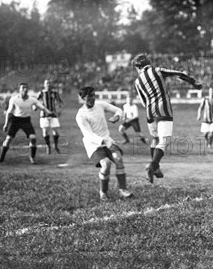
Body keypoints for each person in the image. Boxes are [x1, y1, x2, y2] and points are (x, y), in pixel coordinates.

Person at [132, 54, 202, 183]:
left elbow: (143, 102)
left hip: (149, 112)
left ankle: (156, 168)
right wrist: (193, 82)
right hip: (163, 109)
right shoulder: (157, 70)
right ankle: (153, 165)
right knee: (164, 141)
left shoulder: (137, 82)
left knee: (155, 138)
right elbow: (178, 73)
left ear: (137, 67)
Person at [75, 86, 133, 201]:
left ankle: (123, 190)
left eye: (93, 95)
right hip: (93, 144)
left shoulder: (100, 105)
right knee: (106, 164)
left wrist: (117, 116)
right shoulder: (81, 115)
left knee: (118, 158)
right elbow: (89, 135)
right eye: (89, 96)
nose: (93, 98)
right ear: (83, 98)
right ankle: (103, 192)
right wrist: (105, 141)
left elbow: (118, 110)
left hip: (107, 140)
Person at [0, 83, 52, 165]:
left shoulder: (32, 99)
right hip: (15, 120)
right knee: (8, 139)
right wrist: (6, 124)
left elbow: (42, 107)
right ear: (20, 90)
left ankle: (32, 157)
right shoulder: (14, 99)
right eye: (23, 88)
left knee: (33, 138)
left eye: (26, 88)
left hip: (26, 121)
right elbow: (9, 112)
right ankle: (1, 158)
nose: (25, 89)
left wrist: (49, 112)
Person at [36, 79, 64, 154]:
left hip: (53, 114)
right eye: (47, 83)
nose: (48, 84)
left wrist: (59, 110)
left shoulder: (55, 93)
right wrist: (35, 107)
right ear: (44, 84)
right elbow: (35, 102)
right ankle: (48, 146)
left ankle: (55, 145)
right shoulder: (41, 93)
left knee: (56, 131)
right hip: (44, 115)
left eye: (49, 83)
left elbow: (60, 102)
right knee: (45, 132)